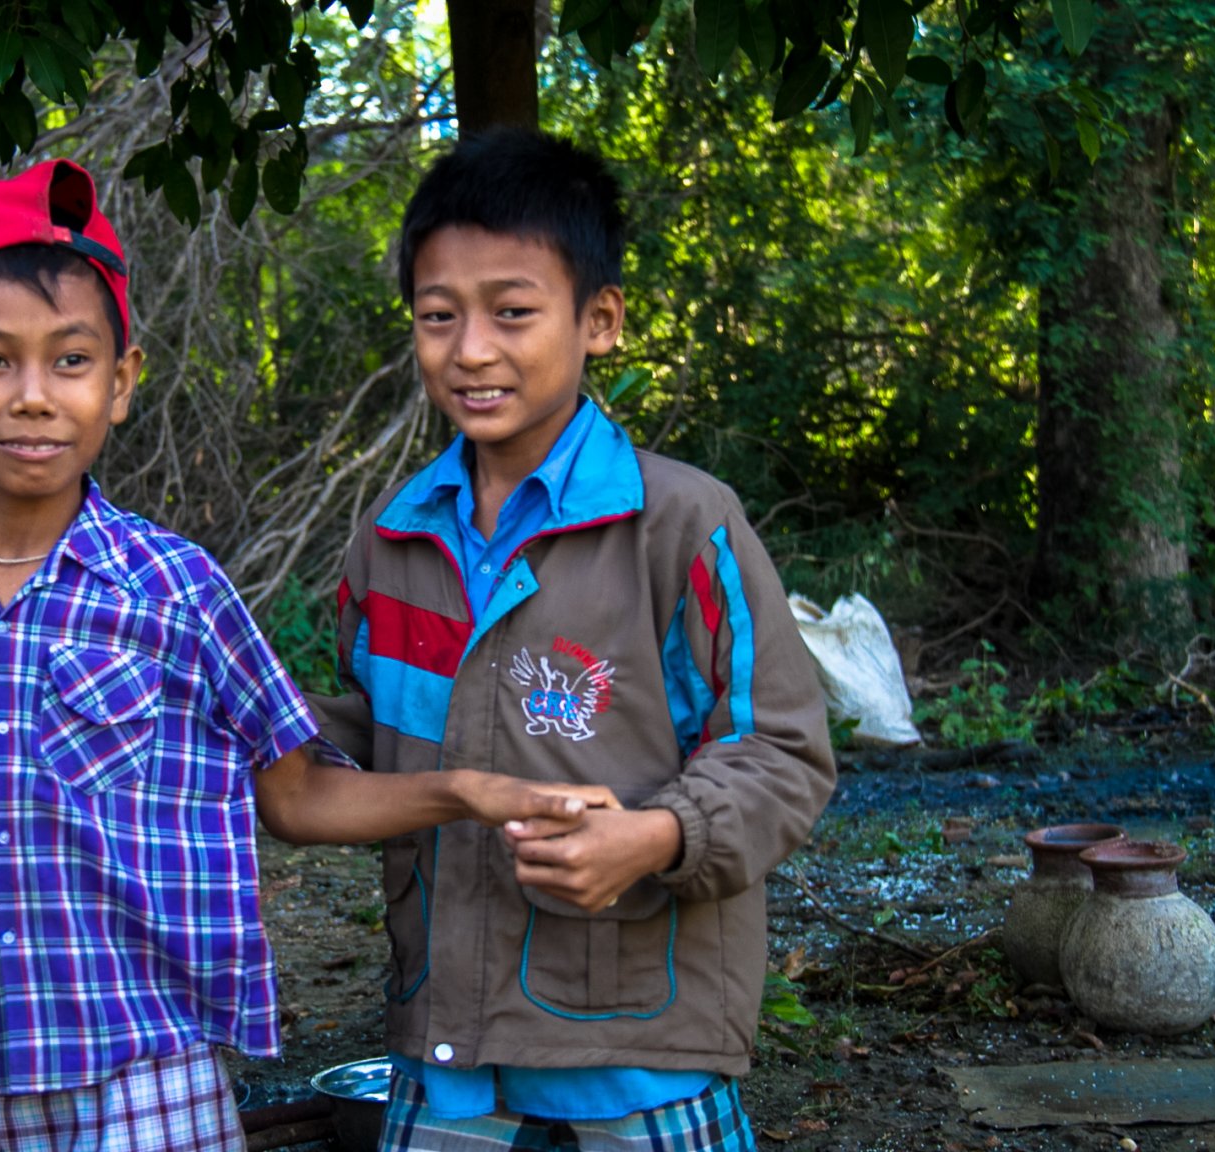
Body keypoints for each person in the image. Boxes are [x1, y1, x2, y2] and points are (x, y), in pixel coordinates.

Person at [0, 157, 599, 1152]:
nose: (34, 396)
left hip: (148, 1082)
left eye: (71, 361)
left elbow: (295, 796)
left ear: (120, 383)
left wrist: (461, 791)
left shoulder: (174, 589)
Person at [251, 129, 837, 1150]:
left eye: (512, 312)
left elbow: (781, 752)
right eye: (439, 318)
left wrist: (657, 838)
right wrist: (247, 733)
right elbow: (371, 734)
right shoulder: (392, 538)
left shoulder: (678, 526)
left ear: (597, 320)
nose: (471, 349)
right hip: (445, 1047)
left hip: (641, 1056)